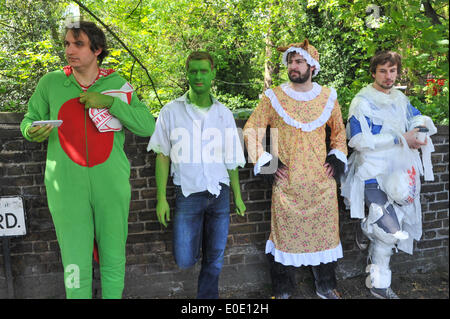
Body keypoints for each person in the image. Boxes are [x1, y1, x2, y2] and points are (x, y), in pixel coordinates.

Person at [20, 21, 155, 298]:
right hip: (65, 185)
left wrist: (110, 103)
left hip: (111, 183)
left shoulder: (117, 84)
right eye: (67, 43)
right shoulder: (52, 83)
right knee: (74, 257)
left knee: (113, 253)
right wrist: (31, 131)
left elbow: (147, 126)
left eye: (78, 44)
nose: (70, 50)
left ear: (97, 50)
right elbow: (29, 120)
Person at [243, 39, 348, 299]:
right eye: (290, 61)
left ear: (312, 65)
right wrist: (266, 163)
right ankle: (283, 291)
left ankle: (325, 286)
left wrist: (336, 158)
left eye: (299, 61)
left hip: (321, 185)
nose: (293, 66)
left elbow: (339, 134)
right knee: (283, 240)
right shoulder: (273, 97)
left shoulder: (328, 97)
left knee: (325, 237)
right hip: (287, 185)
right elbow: (251, 131)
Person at [147, 51, 246, 299]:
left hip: (219, 194)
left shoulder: (223, 113)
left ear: (213, 73)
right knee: (184, 258)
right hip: (188, 194)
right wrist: (161, 198)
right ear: (188, 73)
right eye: (193, 71)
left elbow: (232, 158)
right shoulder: (171, 111)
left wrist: (238, 195)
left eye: (204, 71)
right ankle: (199, 242)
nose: (198, 76)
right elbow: (162, 155)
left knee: (215, 259)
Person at [341, 50, 437, 299]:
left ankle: (378, 285)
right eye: (383, 71)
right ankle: (368, 226)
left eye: (392, 71)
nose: (388, 76)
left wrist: (419, 131)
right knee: (388, 230)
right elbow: (358, 140)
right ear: (373, 72)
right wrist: (399, 138)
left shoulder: (400, 99)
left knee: (387, 235)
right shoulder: (362, 101)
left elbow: (417, 116)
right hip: (371, 173)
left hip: (400, 172)